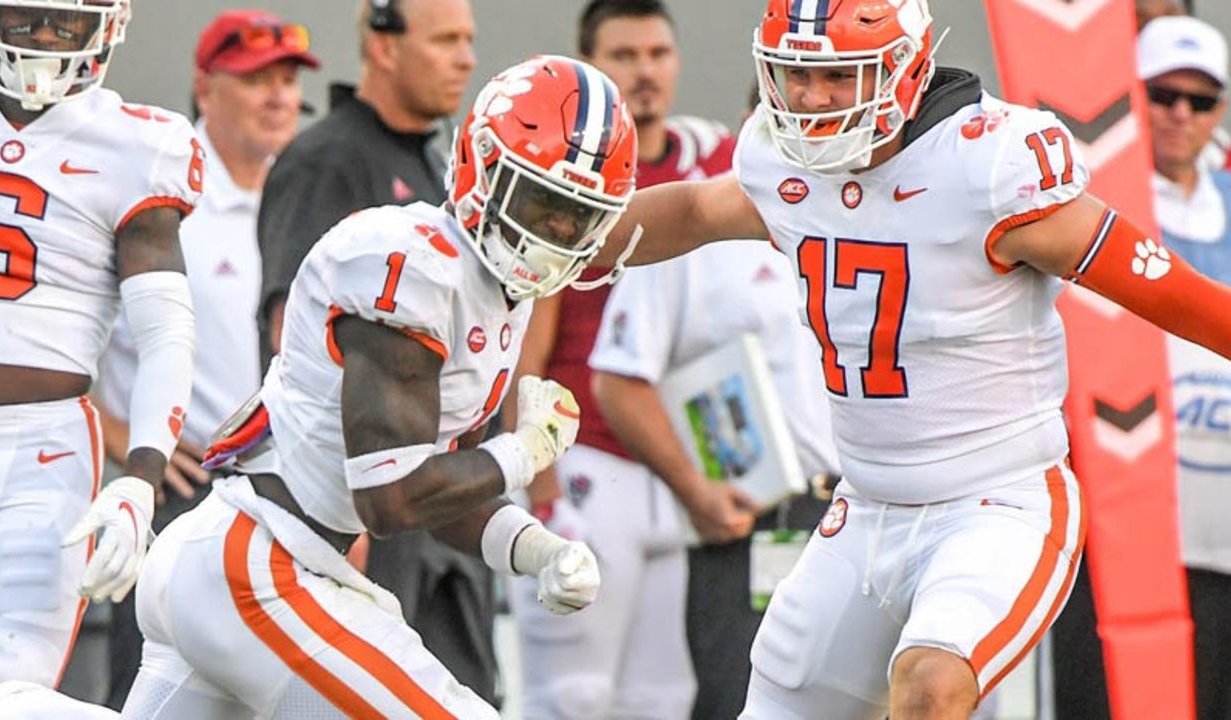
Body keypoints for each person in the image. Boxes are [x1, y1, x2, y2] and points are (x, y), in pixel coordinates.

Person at [588, 0, 1231, 717]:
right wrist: (568, 234)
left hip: (997, 503)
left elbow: (1173, 294)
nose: (811, 99)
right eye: (797, 73)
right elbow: (697, 211)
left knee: (930, 686)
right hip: (863, 507)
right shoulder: (782, 161)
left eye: (838, 77)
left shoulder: (985, 167)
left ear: (903, 71)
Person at [119, 54, 635, 720]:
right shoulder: (410, 266)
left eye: (575, 216)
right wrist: (526, 452)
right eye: (541, 203)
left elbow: (442, 496)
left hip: (244, 561)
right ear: (482, 169)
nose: (552, 235)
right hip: (263, 568)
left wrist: (537, 549)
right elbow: (391, 499)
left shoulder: (496, 291)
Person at [253, 0, 499, 702]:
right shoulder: (325, 158)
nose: (466, 58)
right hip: (369, 499)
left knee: (467, 694)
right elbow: (288, 337)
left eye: (470, 40)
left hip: (441, 502)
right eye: (446, 39)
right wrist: (336, 509)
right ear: (383, 46)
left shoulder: (445, 159)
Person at [501, 3, 742, 718]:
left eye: (658, 53)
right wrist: (539, 479)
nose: (644, 72)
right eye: (624, 55)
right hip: (583, 465)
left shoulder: (711, 164)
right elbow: (529, 340)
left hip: (674, 464)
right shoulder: (566, 173)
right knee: (570, 696)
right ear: (589, 69)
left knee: (662, 697)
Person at [90, 9, 319, 707]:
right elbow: (69, 331)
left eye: (288, 81)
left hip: (285, 495)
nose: (279, 97)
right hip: (180, 489)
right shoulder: (161, 193)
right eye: (256, 80)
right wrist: (132, 443)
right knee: (159, 691)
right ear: (204, 85)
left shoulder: (300, 192)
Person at [0, 0, 201, 690]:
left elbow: (166, 330)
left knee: (14, 691)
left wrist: (142, 482)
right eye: (24, 17)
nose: (44, 39)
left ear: (106, 28)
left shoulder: (134, 144)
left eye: (64, 22)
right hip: (48, 448)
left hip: (41, 449)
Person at [588, 207, 840, 719]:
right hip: (755, 521)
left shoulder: (867, 220)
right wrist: (695, 490)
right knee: (741, 702)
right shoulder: (697, 225)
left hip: (862, 514)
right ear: (754, 122)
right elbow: (617, 382)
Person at [1140, 17, 1231, 720]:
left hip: (1228, 525)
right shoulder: (1108, 192)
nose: (1179, 115)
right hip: (1131, 519)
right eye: (1163, 95)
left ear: (1220, 111)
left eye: (1199, 100)